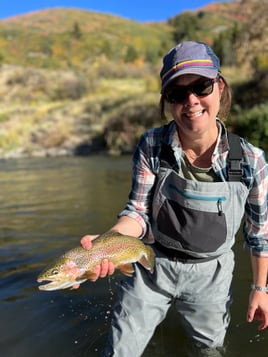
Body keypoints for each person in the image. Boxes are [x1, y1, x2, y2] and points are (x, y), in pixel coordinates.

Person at [80, 41, 268, 356]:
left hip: (213, 275)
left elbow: (260, 234)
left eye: (201, 86)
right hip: (150, 263)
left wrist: (261, 288)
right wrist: (105, 246)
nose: (191, 100)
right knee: (119, 350)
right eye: (177, 93)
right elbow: (138, 213)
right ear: (168, 101)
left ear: (219, 87)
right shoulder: (152, 145)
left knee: (209, 351)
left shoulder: (251, 160)